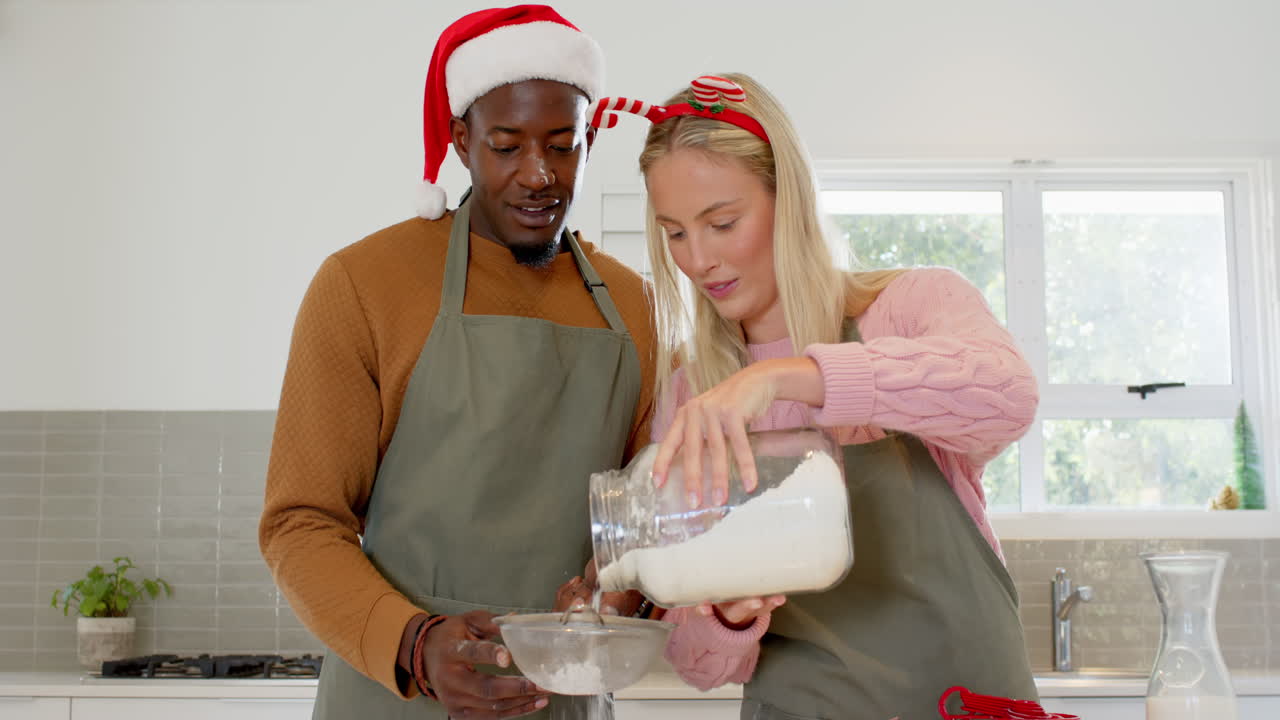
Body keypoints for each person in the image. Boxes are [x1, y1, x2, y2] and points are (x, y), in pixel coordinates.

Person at [586, 73, 1040, 719]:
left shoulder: (910, 306)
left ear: (789, 199)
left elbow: (1008, 395)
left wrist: (783, 377)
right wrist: (724, 614)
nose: (699, 259)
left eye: (722, 222)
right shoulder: (694, 390)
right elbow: (696, 666)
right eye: (676, 232)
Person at [258, 6, 655, 719]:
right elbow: (300, 523)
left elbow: (652, 522)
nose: (538, 175)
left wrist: (624, 595)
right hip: (393, 694)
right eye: (506, 146)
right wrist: (415, 643)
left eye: (564, 146)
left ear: (590, 141)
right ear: (461, 140)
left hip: (560, 702)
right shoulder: (363, 284)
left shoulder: (637, 310)